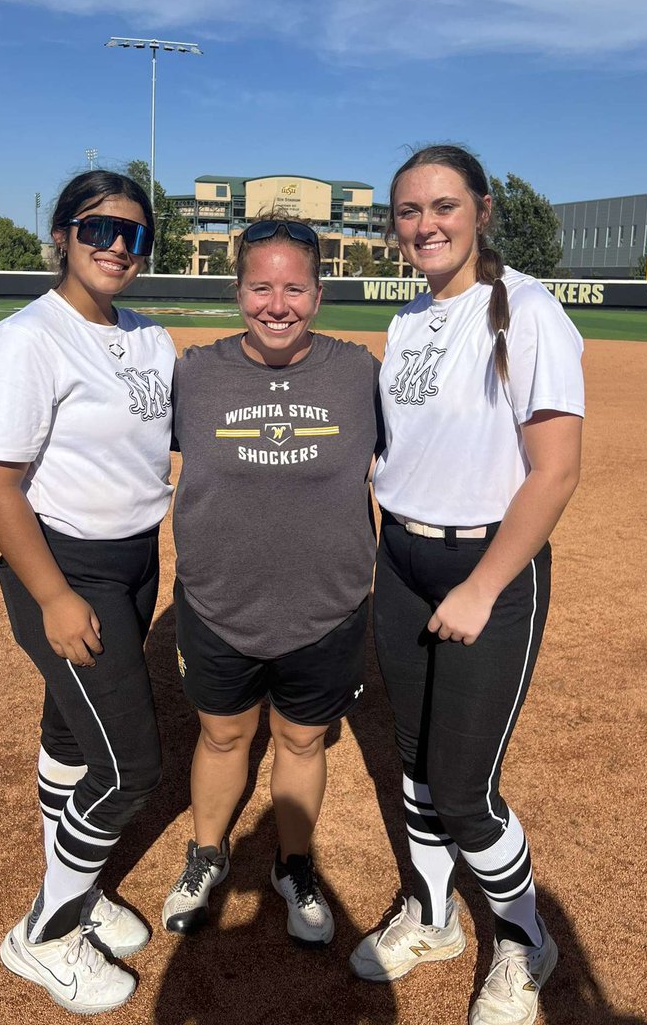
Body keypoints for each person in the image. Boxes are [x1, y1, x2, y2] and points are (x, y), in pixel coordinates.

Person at [349, 145, 584, 1025]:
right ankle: (434, 916)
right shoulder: (410, 316)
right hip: (403, 560)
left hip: (490, 569)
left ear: (482, 211)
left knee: (464, 786)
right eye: (408, 212)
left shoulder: (527, 312)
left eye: (443, 206)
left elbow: (554, 473)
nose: (425, 225)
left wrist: (485, 586)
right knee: (413, 763)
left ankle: (526, 940)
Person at [0, 170, 176, 1015]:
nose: (116, 246)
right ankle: (46, 933)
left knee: (72, 728)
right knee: (131, 766)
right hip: (62, 566)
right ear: (61, 233)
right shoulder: (29, 338)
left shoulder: (151, 336)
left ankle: (75, 890)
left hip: (133, 559)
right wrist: (52, 595)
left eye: (133, 234)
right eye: (98, 228)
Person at [161, 219, 381, 946]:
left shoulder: (358, 374)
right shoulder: (194, 373)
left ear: (319, 294)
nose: (277, 304)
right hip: (219, 602)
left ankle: (293, 864)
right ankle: (206, 854)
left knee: (302, 740)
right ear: (238, 291)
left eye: (294, 288)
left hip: (327, 608)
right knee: (224, 737)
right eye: (261, 287)